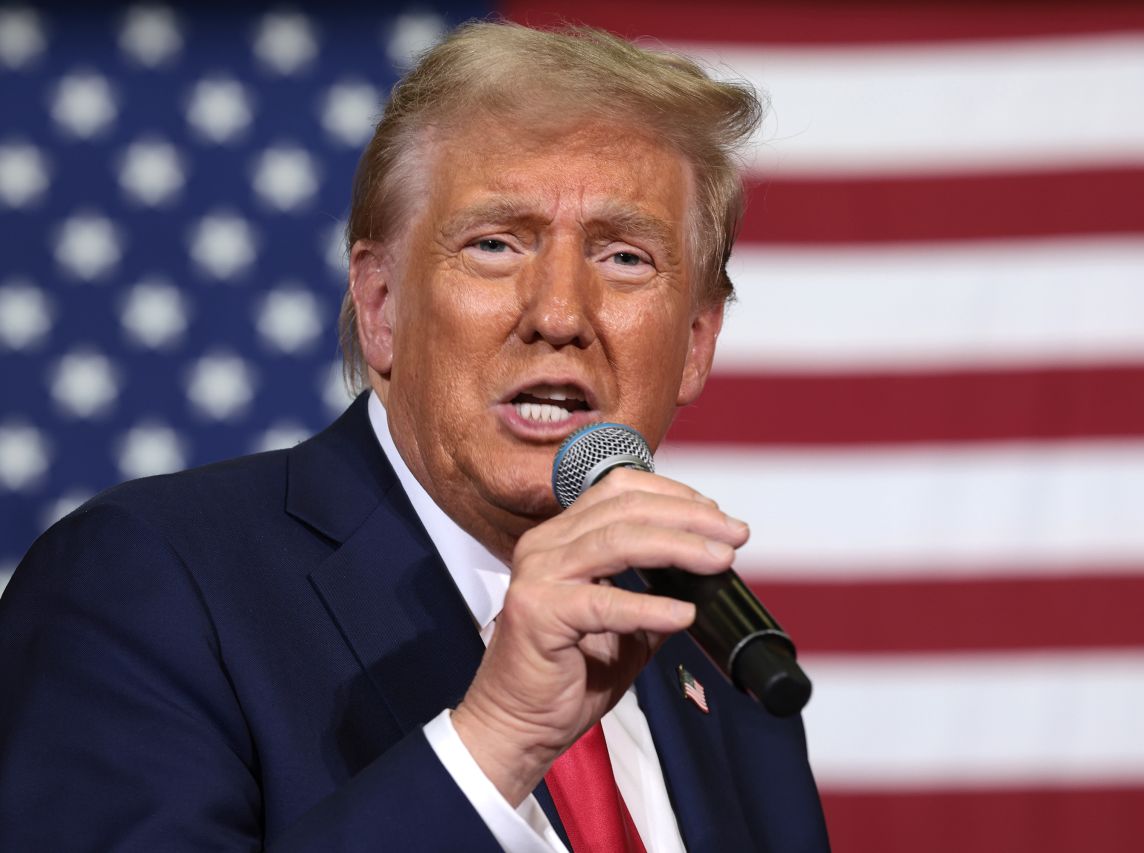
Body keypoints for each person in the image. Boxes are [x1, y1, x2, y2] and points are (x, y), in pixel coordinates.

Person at [0, 21, 829, 852]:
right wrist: (494, 740)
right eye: (496, 244)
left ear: (695, 342)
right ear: (382, 305)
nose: (559, 315)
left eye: (624, 258)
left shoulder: (727, 665)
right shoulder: (144, 587)